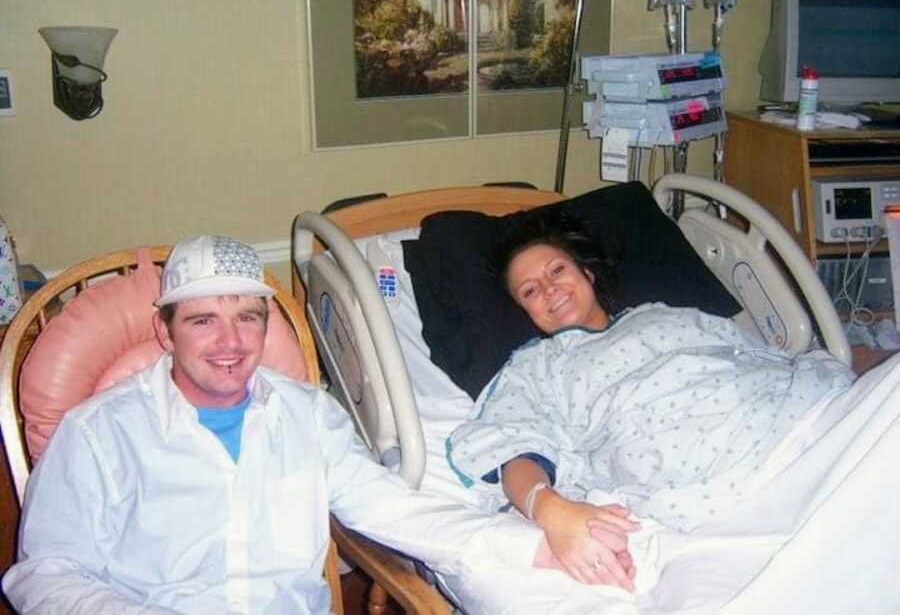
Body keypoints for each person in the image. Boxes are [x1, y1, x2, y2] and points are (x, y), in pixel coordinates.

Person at [3, 234, 618, 614]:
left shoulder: (306, 415)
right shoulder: (99, 434)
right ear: (164, 331)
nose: (230, 342)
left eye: (248, 318)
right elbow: (45, 576)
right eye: (202, 321)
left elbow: (389, 508)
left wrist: (541, 538)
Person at [447, 212, 854, 588]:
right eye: (531, 290)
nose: (550, 288)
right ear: (526, 312)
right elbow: (514, 449)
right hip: (708, 472)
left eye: (557, 270)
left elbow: (749, 356)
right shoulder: (536, 367)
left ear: (587, 273)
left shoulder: (663, 314)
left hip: (799, 417)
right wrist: (552, 510)